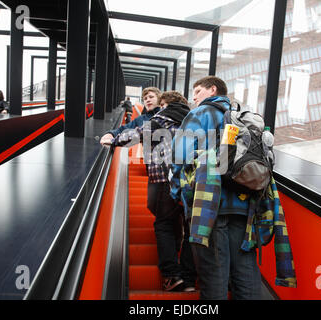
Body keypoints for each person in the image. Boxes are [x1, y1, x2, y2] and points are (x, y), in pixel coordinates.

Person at [170, 76, 262, 299]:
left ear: (213, 90)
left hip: (209, 204)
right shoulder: (243, 116)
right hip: (244, 204)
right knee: (245, 271)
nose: (194, 98)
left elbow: (179, 156)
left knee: (214, 273)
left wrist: (179, 194)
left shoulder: (200, 114)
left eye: (198, 91)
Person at [111, 91, 196, 292]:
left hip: (166, 179)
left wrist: (113, 139)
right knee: (189, 228)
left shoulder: (164, 116)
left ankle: (171, 275)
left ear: (166, 103)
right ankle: (189, 279)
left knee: (164, 223)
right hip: (192, 181)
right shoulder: (193, 119)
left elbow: (137, 134)